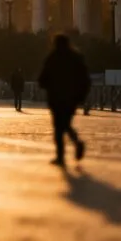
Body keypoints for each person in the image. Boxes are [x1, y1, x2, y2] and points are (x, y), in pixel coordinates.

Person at [38, 35, 90, 167]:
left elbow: (43, 78)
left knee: (59, 127)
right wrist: (81, 96)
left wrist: (46, 85)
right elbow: (85, 79)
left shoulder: (52, 58)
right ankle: (76, 143)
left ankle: (61, 155)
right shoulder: (76, 58)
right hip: (71, 99)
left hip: (56, 98)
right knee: (65, 124)